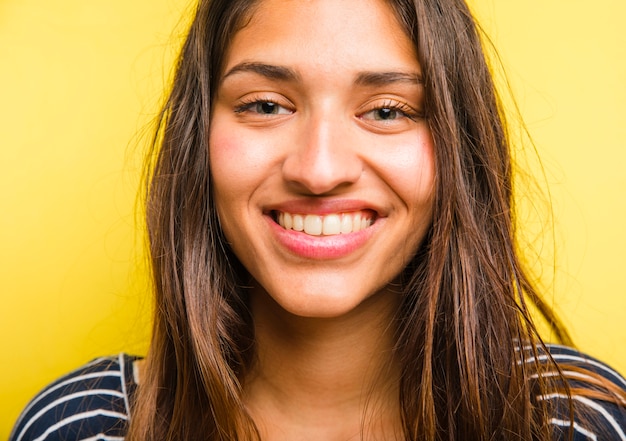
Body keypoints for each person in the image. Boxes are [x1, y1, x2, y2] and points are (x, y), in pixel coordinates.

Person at [10, 0, 626, 440]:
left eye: (387, 111)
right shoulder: (81, 427)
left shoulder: (573, 421)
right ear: (199, 138)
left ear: (458, 144)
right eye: (267, 105)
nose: (319, 168)